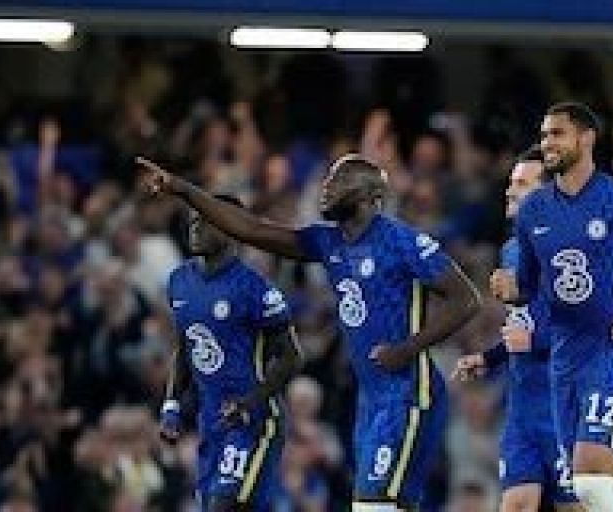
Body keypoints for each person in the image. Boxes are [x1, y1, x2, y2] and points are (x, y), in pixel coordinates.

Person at [140, 154, 481, 510]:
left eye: (339, 179)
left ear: (370, 194)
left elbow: (466, 299)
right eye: (326, 179)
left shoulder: (400, 241)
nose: (326, 187)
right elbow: (251, 230)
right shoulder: (328, 243)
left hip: (408, 394)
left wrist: (407, 349)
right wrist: (181, 189)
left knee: (377, 505)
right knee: (377, 505)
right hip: (370, 400)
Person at [491, 102, 613, 511]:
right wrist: (512, 290)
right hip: (565, 356)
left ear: (586, 139)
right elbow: (529, 286)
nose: (548, 143)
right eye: (544, 135)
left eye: (557, 134)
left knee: (591, 482)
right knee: (601, 488)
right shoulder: (533, 210)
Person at [454, 146, 580, 512]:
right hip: (523, 407)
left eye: (522, 184)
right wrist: (489, 357)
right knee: (517, 505)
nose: (510, 190)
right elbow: (522, 326)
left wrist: (535, 341)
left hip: (563, 404)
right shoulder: (511, 249)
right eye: (512, 182)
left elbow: (593, 328)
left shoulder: (572, 253)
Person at [159, 194, 303, 511]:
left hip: (253, 421)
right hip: (210, 421)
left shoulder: (256, 289)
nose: (195, 227)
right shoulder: (179, 282)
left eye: (206, 220)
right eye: (193, 219)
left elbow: (292, 356)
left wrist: (249, 401)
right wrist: (171, 405)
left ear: (232, 228)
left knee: (223, 506)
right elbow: (187, 346)